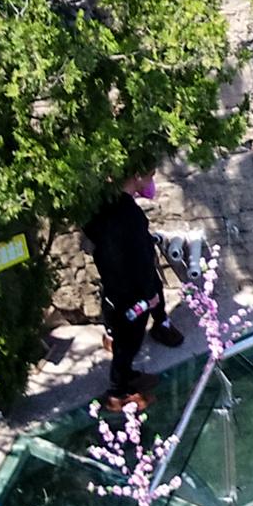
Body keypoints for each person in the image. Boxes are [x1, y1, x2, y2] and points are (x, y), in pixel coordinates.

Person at [83, 172, 168, 403]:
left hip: (114, 288)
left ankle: (126, 375)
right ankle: (118, 391)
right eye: (148, 176)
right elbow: (142, 259)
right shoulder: (131, 214)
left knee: (123, 339)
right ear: (137, 177)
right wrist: (150, 294)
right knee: (128, 343)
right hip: (132, 294)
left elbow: (93, 241)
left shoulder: (103, 206)